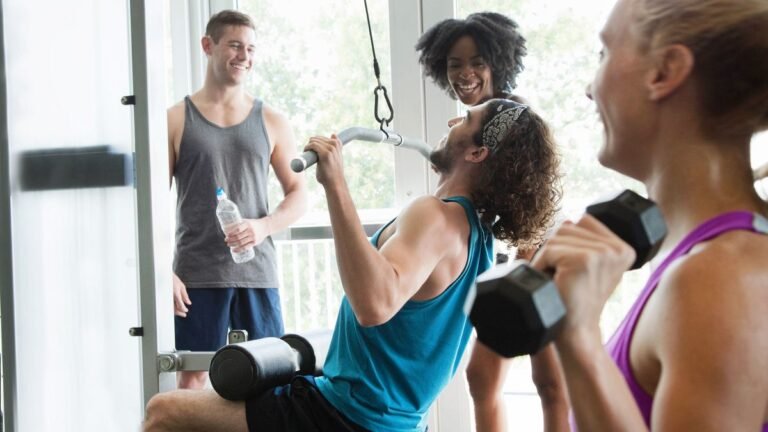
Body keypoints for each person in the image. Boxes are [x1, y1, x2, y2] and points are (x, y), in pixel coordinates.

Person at [143, 97, 561, 431]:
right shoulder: (479, 238)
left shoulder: (435, 215)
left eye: (465, 120)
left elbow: (374, 304)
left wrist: (335, 183)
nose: (452, 123)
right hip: (389, 421)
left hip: (344, 416)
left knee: (165, 413)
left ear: (477, 151)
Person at [528, 0, 768, 430]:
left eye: (603, 54)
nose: (589, 89)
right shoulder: (702, 259)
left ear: (663, 71)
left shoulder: (720, 276)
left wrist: (581, 336)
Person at [417, 12, 568, 431]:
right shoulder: (475, 126)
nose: (465, 74)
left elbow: (532, 210)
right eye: (454, 64)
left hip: (535, 260)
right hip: (508, 267)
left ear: (498, 62)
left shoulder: (507, 120)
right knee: (482, 378)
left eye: (477, 62)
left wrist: (523, 268)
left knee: (549, 382)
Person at [166, 10, 308, 390]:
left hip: (257, 274)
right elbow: (146, 208)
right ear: (208, 46)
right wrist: (164, 272)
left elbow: (298, 195)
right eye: (234, 45)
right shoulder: (176, 119)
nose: (244, 55)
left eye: (250, 48)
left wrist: (262, 227)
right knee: (193, 377)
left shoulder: (273, 120)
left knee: (270, 378)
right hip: (196, 275)